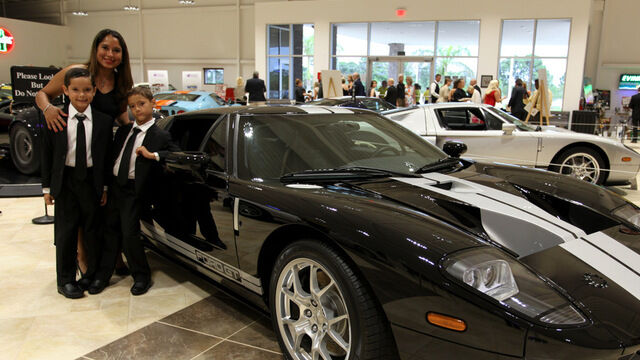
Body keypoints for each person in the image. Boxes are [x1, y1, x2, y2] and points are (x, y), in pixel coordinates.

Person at [36, 28, 133, 277]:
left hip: (100, 156)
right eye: (105, 48)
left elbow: (122, 117)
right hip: (72, 152)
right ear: (95, 48)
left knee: (100, 210)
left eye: (116, 50)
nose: (110, 54)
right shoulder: (77, 73)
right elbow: (42, 93)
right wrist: (48, 109)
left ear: (123, 55)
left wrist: (143, 131)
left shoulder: (121, 83)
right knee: (75, 213)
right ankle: (82, 256)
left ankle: (109, 255)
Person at [90, 86, 180, 296]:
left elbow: (177, 155)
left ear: (152, 104)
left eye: (141, 104)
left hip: (133, 190)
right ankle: (102, 276)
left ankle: (141, 276)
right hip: (114, 187)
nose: (137, 109)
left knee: (129, 233)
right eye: (132, 106)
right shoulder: (123, 131)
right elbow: (110, 159)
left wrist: (154, 155)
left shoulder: (160, 135)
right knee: (109, 231)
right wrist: (104, 187)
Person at [42, 68, 113, 299]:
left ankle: (91, 274)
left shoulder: (102, 121)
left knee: (93, 229)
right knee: (66, 231)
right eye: (75, 90)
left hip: (92, 181)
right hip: (66, 181)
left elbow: (105, 158)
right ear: (65, 90)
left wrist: (103, 187)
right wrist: (47, 188)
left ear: (93, 91)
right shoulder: (57, 118)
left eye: (86, 90)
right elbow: (47, 155)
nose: (81, 95)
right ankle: (65, 280)